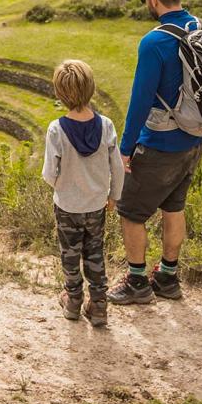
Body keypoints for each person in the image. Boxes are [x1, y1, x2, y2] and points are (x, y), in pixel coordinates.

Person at [108, 0, 202, 306]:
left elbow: (141, 98)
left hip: (161, 143)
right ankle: (167, 276)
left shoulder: (155, 41)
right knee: (173, 207)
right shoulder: (201, 28)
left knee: (131, 212)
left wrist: (125, 148)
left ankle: (137, 282)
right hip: (194, 140)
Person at [42, 59, 124, 327]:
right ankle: (98, 305)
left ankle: (73, 300)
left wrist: (63, 187)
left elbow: (48, 173)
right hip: (96, 205)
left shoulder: (57, 129)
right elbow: (117, 167)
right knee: (95, 251)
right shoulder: (106, 126)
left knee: (70, 253)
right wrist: (113, 196)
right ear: (91, 88)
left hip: (67, 206)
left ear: (60, 93)